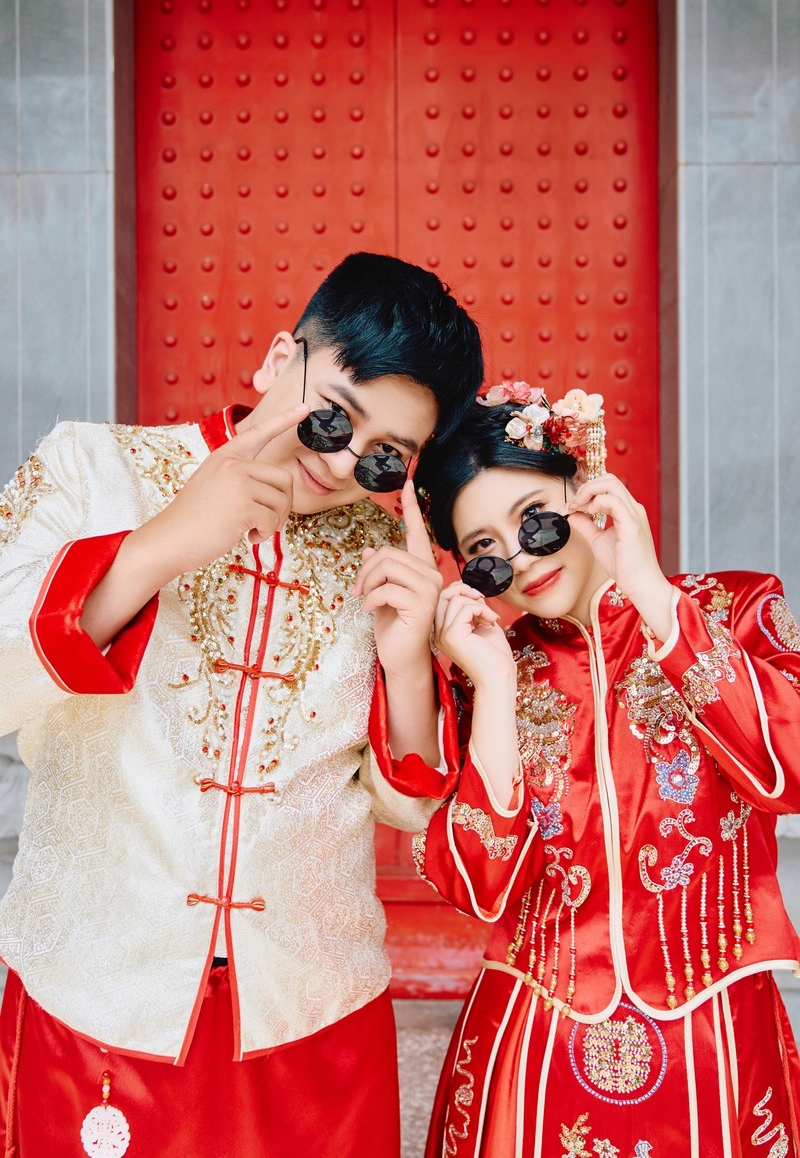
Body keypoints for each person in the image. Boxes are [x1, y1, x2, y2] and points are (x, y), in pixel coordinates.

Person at [0, 252, 480, 1157]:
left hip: (312, 1016)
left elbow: (409, 803)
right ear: (277, 360)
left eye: (385, 455)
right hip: (98, 1004)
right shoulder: (93, 467)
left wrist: (409, 662)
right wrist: (160, 544)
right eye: (333, 415)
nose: (341, 462)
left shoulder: (386, 561)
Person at [413, 383, 800, 1157]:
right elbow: (480, 885)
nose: (520, 559)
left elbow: (787, 769)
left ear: (587, 485)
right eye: (484, 552)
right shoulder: (484, 674)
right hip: (534, 1050)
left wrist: (653, 594)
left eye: (535, 519)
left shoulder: (738, 609)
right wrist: (494, 688)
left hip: (716, 1044)